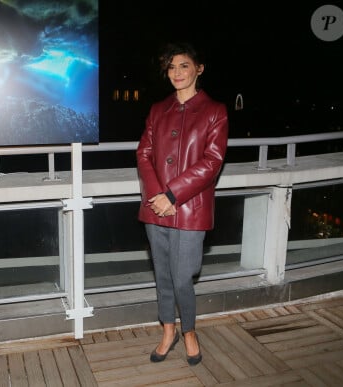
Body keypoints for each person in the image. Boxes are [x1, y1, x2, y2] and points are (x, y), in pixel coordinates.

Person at [136, 42, 228, 366]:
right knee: (162, 275)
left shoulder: (215, 111)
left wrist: (173, 195)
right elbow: (143, 154)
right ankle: (167, 330)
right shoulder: (157, 110)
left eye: (184, 66)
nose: (176, 73)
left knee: (182, 276)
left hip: (191, 210)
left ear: (199, 69)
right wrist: (158, 196)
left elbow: (212, 162)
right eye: (172, 67)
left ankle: (189, 331)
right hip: (156, 209)